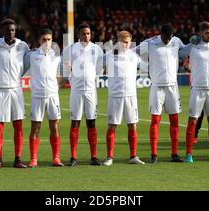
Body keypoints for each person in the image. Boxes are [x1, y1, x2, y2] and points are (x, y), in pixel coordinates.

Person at [135, 23, 185, 163]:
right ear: (160, 34)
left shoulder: (176, 41)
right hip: (157, 86)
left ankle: (174, 154)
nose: (167, 40)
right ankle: (154, 154)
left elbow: (185, 50)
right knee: (155, 120)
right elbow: (133, 51)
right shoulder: (150, 43)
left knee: (174, 120)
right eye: (165, 37)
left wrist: (195, 42)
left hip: (172, 87)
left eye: (169, 38)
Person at [179, 22, 209, 163]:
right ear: (201, 33)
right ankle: (188, 154)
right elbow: (179, 51)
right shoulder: (193, 46)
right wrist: (189, 40)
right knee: (192, 121)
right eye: (207, 33)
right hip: (197, 89)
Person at [0, 18, 30, 169]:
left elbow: (27, 63)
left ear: (15, 31)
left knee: (18, 126)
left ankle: (18, 159)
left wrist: (17, 75)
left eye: (13, 30)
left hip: (16, 90)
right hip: (0, 90)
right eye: (8, 30)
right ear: (2, 31)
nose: (10, 32)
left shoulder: (22, 45)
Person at [62, 23, 104, 166]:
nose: (86, 36)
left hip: (91, 91)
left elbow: (99, 69)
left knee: (91, 122)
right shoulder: (71, 49)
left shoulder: (97, 49)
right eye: (83, 33)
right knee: (75, 122)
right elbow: (65, 68)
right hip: (77, 91)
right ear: (78, 35)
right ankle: (73, 157)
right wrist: (73, 79)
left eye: (88, 33)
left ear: (91, 34)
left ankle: (94, 156)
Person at [102, 31, 145, 166]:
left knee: (132, 126)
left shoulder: (134, 57)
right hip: (115, 95)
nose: (124, 45)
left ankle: (133, 156)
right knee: (112, 126)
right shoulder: (109, 56)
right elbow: (93, 65)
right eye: (121, 42)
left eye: (126, 42)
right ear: (117, 41)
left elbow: (148, 66)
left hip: (131, 96)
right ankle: (109, 157)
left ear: (130, 42)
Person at [25, 28, 64, 167]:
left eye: (49, 39)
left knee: (54, 126)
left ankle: (56, 158)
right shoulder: (32, 55)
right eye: (44, 40)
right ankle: (33, 159)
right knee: (35, 126)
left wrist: (56, 86)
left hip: (53, 96)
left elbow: (61, 74)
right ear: (39, 41)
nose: (47, 42)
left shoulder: (57, 56)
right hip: (37, 96)